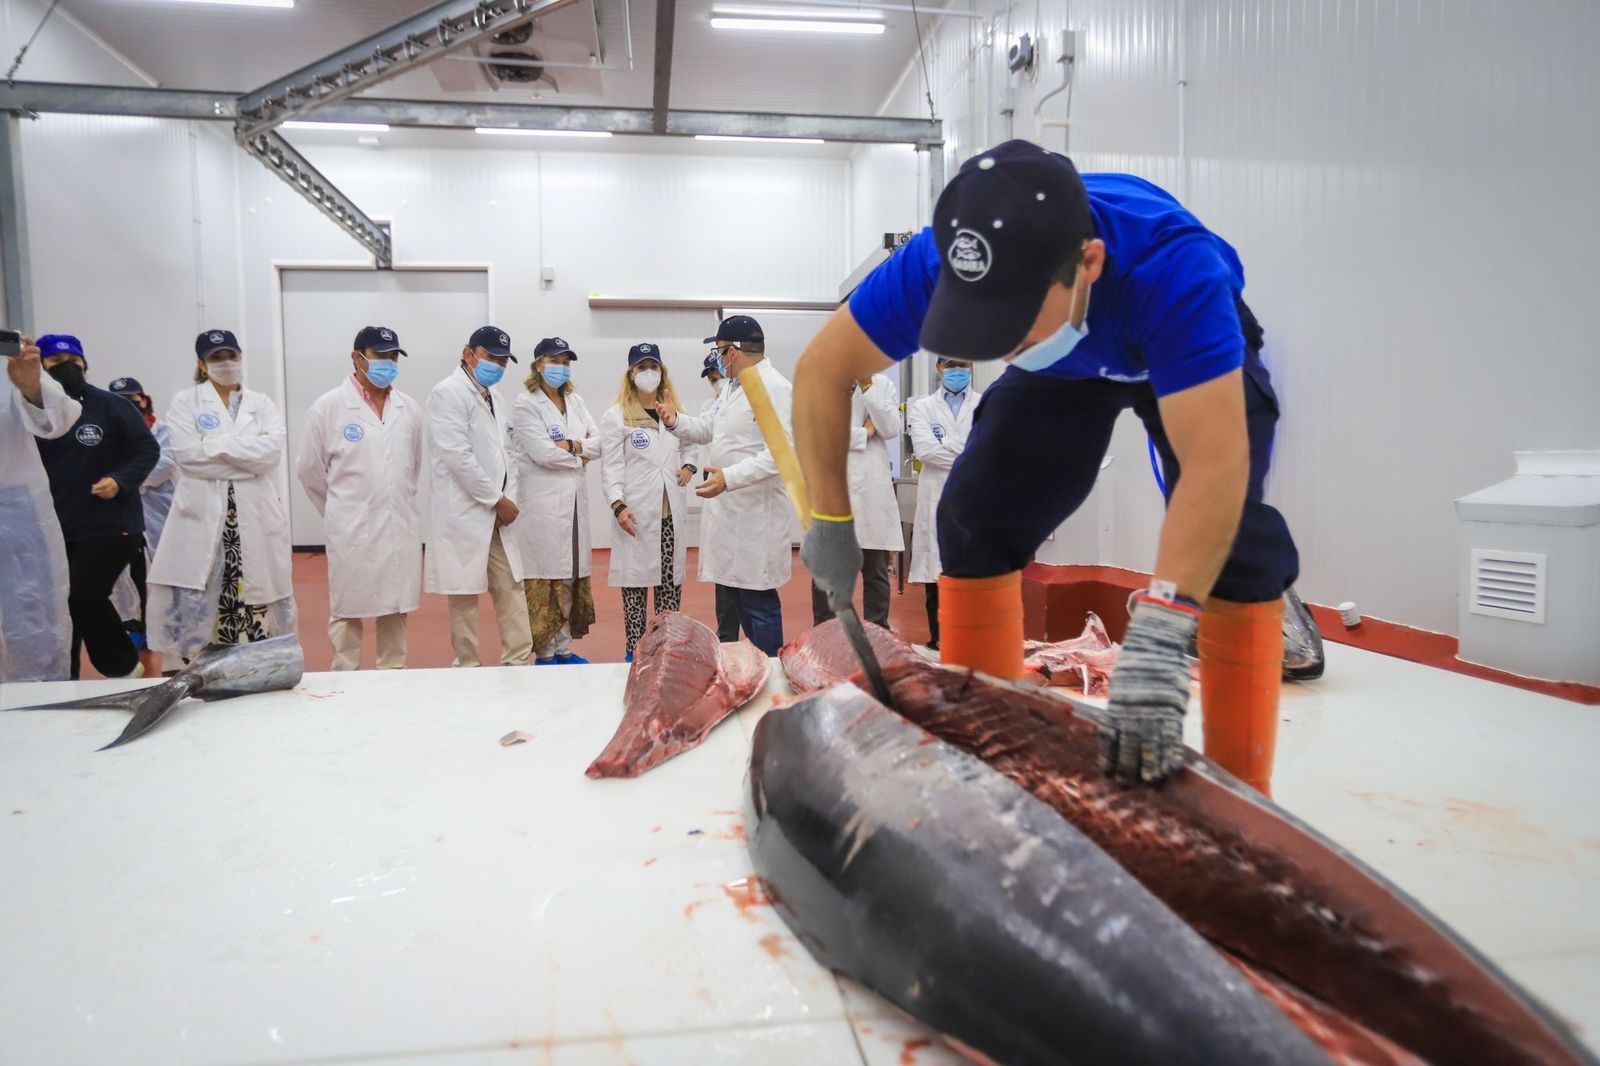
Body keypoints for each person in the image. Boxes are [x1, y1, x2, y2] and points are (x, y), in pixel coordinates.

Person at [794, 141, 1299, 796]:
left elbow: (1213, 461)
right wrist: (831, 521)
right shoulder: (942, 257)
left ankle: (1242, 799)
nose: (1001, 348)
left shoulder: (1175, 271)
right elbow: (822, 370)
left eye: (1014, 325)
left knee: (1235, 549)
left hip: (1173, 347)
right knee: (974, 517)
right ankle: (989, 762)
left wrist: (1161, 629)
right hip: (1062, 365)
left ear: (1089, 264)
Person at [147, 329, 296, 662]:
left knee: (256, 593)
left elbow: (271, 454)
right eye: (216, 357)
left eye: (231, 355)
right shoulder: (186, 402)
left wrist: (214, 445)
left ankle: (255, 664)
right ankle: (203, 666)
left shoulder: (261, 403)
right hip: (204, 517)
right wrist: (246, 459)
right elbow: (188, 457)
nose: (226, 363)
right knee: (205, 595)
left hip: (254, 515)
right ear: (202, 364)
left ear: (240, 358)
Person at [659, 315, 793, 656]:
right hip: (731, 517)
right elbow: (707, 428)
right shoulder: (733, 389)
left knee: (758, 603)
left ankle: (771, 669)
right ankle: (747, 670)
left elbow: (782, 454)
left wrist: (729, 478)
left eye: (719, 351)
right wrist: (675, 422)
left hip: (755, 519)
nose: (718, 359)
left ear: (732, 352)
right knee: (737, 599)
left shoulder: (775, 389)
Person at [296, 326, 424, 671]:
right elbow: (309, 470)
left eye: (393, 356)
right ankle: (344, 677)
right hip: (351, 527)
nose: (388, 363)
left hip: (398, 522)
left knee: (395, 608)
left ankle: (392, 675)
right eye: (380, 355)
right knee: (347, 608)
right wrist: (340, 509)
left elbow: (412, 465)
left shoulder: (409, 408)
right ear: (357, 357)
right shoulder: (328, 407)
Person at [33, 335, 160, 679]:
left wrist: (120, 480)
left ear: (85, 364)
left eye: (73, 361)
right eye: (54, 361)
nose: (65, 367)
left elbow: (147, 450)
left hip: (111, 525)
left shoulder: (112, 406)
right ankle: (65, 678)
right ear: (40, 367)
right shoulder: (33, 415)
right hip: (56, 527)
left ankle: (123, 667)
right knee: (61, 609)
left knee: (82, 595)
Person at [424, 326, 533, 668]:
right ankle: (468, 667)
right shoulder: (447, 393)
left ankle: (517, 661)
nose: (497, 365)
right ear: (468, 354)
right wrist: (495, 500)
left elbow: (508, 454)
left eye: (503, 361)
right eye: (491, 357)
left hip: (499, 514)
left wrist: (507, 500)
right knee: (464, 597)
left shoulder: (495, 397)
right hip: (465, 512)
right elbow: (458, 457)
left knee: (511, 587)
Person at [508, 336, 599, 666]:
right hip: (542, 505)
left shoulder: (575, 402)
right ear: (538, 365)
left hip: (573, 503)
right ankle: (546, 653)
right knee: (546, 580)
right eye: (554, 361)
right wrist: (580, 453)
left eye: (565, 362)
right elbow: (543, 453)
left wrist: (570, 447)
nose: (560, 367)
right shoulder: (525, 404)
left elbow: (599, 443)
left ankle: (564, 649)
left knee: (569, 577)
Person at [599, 343, 692, 661]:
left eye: (653, 367)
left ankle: (665, 654)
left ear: (662, 372)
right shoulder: (616, 417)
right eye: (641, 367)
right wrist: (618, 504)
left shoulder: (674, 411)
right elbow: (611, 467)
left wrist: (689, 465)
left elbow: (691, 441)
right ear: (631, 373)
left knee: (669, 588)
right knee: (635, 589)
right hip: (636, 514)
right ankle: (635, 655)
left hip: (670, 515)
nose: (648, 373)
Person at [0, 333, 82, 682]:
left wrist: (31, 387)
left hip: (16, 510)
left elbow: (60, 419)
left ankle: (37, 703)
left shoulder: (8, 358)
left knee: (34, 620)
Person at [811, 369, 903, 629]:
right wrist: (865, 433)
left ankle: (878, 633)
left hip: (871, 492)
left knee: (875, 572)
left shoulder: (881, 385)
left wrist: (868, 389)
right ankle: (825, 634)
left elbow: (890, 428)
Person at [904, 357, 980, 650]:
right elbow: (925, 451)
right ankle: (938, 639)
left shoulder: (984, 403)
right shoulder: (923, 407)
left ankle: (969, 639)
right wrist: (966, 449)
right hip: (935, 496)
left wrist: (946, 444)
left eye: (963, 366)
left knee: (970, 572)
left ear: (971, 367)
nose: (957, 371)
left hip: (972, 497)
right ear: (939, 368)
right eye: (951, 366)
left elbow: (987, 447)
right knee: (935, 571)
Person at [108, 377, 177, 554]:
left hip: (159, 508)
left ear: (144, 400)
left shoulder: (165, 431)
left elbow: (164, 466)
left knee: (165, 558)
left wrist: (121, 481)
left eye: (131, 399)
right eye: (119, 400)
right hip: (121, 513)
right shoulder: (106, 434)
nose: (126, 405)